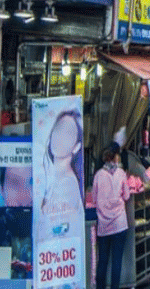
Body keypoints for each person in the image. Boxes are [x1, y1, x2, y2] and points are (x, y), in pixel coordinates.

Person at [37, 109, 85, 241]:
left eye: (68, 133)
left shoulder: (67, 183)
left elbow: (59, 230)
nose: (60, 137)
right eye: (58, 129)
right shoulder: (50, 177)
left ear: (76, 147)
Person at [92, 145, 131, 289]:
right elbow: (126, 195)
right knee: (116, 261)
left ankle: (100, 287)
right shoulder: (121, 173)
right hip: (119, 224)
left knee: (102, 260)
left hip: (103, 225)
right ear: (114, 157)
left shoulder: (98, 175)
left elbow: (94, 199)